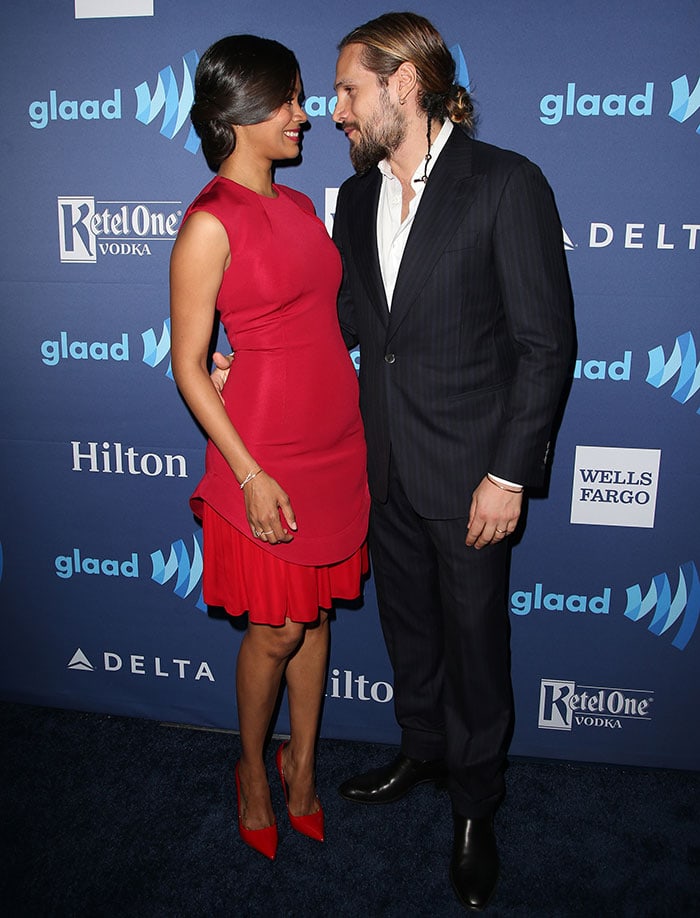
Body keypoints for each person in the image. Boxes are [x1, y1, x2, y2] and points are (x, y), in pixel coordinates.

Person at [329, 12, 575, 912]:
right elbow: (356, 331)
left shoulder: (506, 183)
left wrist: (508, 475)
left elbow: (545, 344)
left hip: (473, 477)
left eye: (350, 90)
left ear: (404, 83)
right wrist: (258, 360)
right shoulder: (354, 200)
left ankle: (477, 804)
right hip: (384, 466)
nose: (336, 109)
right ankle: (421, 749)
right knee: (411, 633)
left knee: (476, 649)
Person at [170, 34, 369, 862]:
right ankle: (253, 767)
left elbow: (306, 320)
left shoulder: (296, 209)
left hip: (336, 445)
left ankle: (304, 768)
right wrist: (248, 473)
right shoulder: (209, 222)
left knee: (315, 620)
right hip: (267, 456)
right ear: (239, 114)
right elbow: (188, 366)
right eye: (288, 101)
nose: (305, 114)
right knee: (278, 631)